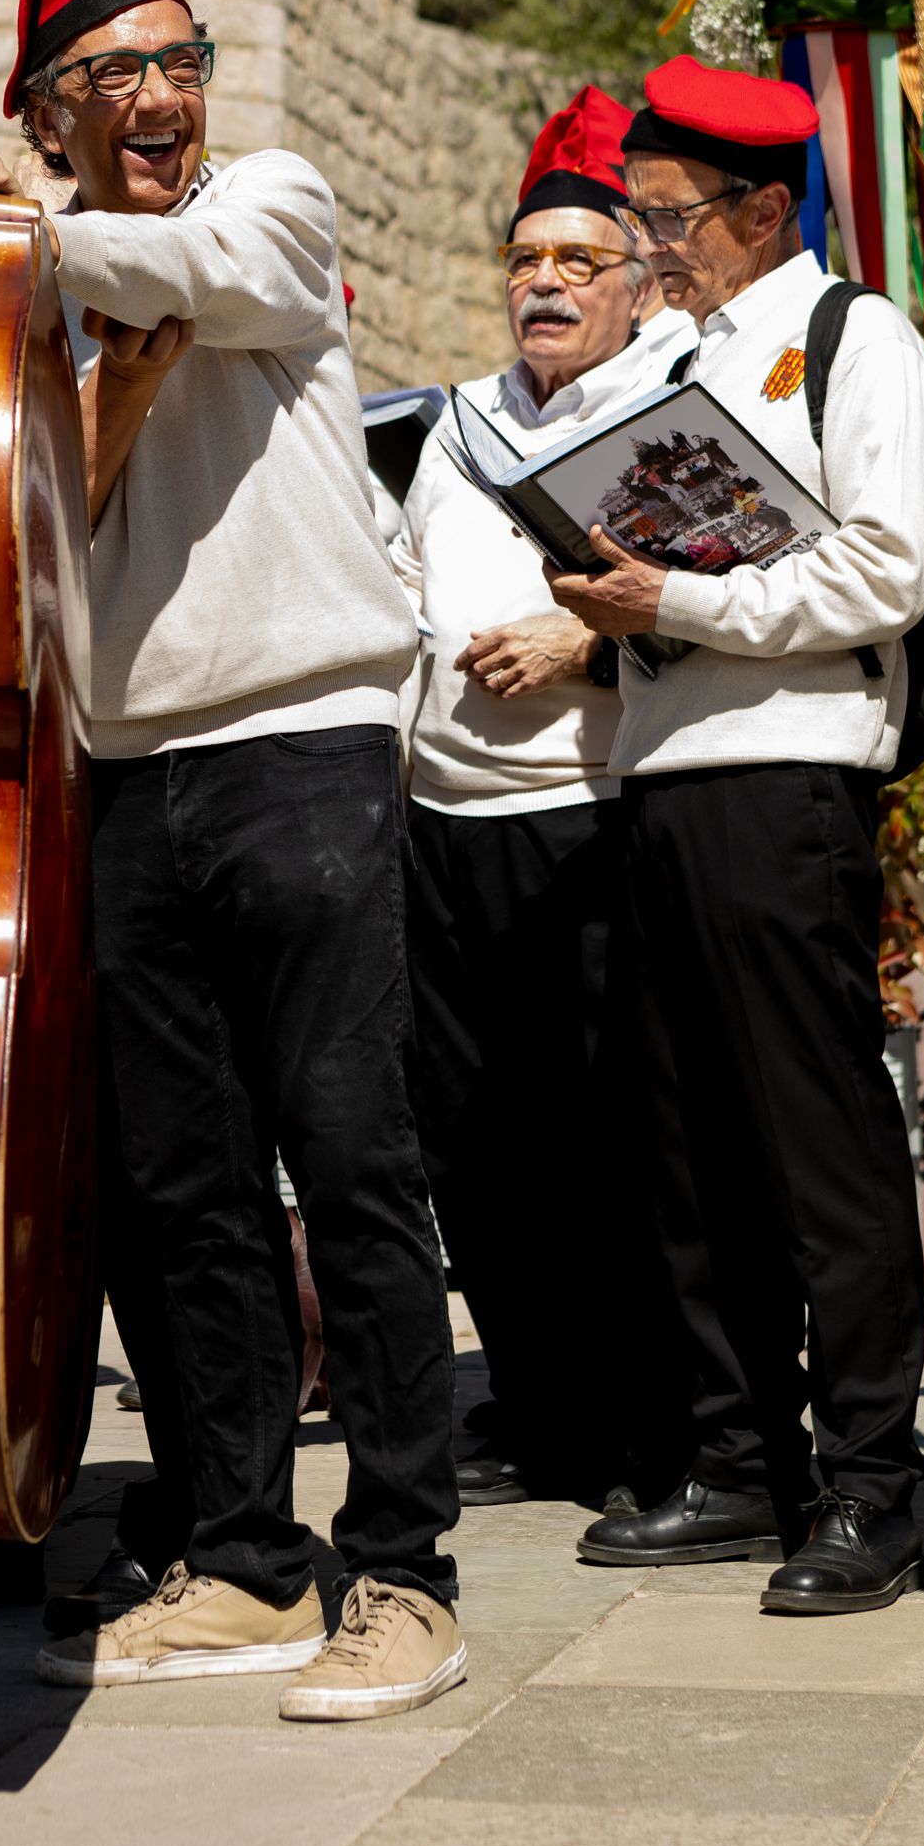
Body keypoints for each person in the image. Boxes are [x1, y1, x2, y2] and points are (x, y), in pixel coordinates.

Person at [0, 0, 465, 1722]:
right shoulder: (9, 288)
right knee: (177, 1190)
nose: (159, 99)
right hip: (122, 766)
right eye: (110, 78)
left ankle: (404, 1576)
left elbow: (194, 264)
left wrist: (20, 218)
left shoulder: (261, 199)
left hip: (300, 735)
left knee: (351, 1165)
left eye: (177, 62)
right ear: (42, 113)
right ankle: (240, 1562)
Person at [550, 55, 924, 1614]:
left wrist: (684, 599)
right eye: (636, 221)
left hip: (784, 774)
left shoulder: (854, 338)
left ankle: (866, 1479)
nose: (646, 251)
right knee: (686, 1141)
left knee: (813, 1138)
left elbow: (887, 568)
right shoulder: (663, 358)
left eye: (666, 221)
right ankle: (731, 1458)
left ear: (762, 208)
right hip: (657, 767)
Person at [393, 86, 695, 1510]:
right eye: (524, 261)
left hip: (591, 806)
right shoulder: (453, 425)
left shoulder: (672, 408)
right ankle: (531, 1397)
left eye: (578, 261)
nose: (544, 283)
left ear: (636, 281)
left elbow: (726, 589)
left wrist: (587, 638)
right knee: (474, 1133)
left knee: (607, 1134)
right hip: (444, 821)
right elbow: (401, 591)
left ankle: (649, 1425)